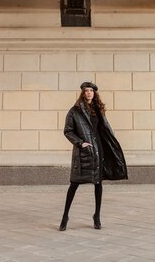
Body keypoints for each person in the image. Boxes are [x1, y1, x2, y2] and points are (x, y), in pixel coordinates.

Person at [59, 82, 128, 231]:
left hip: (99, 150)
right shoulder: (74, 111)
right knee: (74, 184)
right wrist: (80, 143)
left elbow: (105, 130)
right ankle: (65, 216)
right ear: (82, 93)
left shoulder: (99, 110)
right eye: (86, 91)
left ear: (95, 93)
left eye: (91, 90)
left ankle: (97, 216)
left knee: (98, 183)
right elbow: (68, 131)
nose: (89, 93)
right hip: (84, 152)